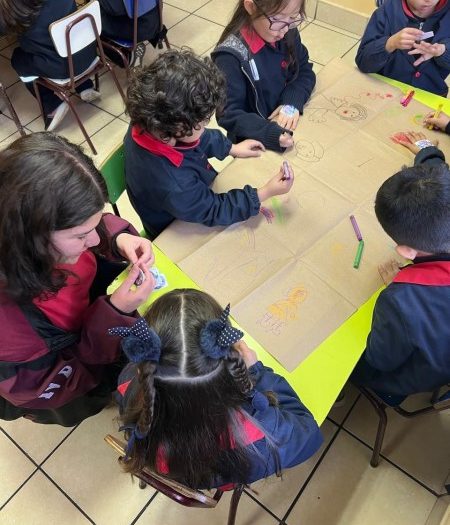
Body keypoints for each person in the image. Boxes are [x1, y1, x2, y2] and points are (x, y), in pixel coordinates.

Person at [0, 132, 156, 426]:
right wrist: (115, 314)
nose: (94, 239)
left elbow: (86, 225)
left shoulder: (31, 226)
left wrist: (116, 238)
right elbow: (60, 384)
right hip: (75, 382)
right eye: (82, 235)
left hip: (90, 325)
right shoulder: (11, 328)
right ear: (32, 237)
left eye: (94, 226)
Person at [113, 288, 323, 489]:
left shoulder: (127, 381)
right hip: (221, 474)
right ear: (232, 364)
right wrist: (258, 372)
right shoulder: (263, 433)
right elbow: (309, 432)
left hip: (171, 469)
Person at [124, 48, 295, 239]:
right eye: (204, 121)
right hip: (175, 227)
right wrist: (264, 192)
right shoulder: (173, 183)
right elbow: (213, 209)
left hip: (188, 196)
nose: (207, 125)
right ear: (177, 128)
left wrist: (231, 148)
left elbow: (197, 138)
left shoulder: (152, 118)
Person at [351, 130, 450, 405]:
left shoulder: (400, 300)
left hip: (414, 374)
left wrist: (405, 283)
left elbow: (380, 359)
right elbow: (442, 178)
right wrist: (427, 151)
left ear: (406, 252)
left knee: (351, 363)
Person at [211, 0, 315, 152]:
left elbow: (304, 69)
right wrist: (270, 133)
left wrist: (291, 100)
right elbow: (228, 113)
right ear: (251, 6)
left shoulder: (287, 30)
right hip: (253, 140)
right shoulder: (230, 57)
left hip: (284, 123)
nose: (285, 28)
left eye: (293, 17)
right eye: (277, 18)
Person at [10, 0, 101, 131]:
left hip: (61, 69)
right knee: (61, 32)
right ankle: (84, 86)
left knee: (18, 59)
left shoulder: (17, 7)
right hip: (89, 53)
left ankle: (52, 104)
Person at [355, 0, 450, 97]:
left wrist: (442, 51)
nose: (429, 0)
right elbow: (363, 62)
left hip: (431, 94)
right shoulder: (386, 12)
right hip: (386, 90)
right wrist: (390, 44)